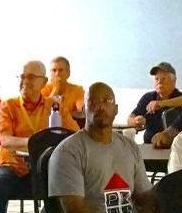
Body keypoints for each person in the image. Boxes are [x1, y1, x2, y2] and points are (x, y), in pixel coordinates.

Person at [0, 60, 77, 213]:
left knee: (69, 183)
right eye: (22, 77)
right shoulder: (8, 106)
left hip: (45, 169)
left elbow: (75, 136)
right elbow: (4, 140)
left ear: (44, 82)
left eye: (31, 77)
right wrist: (36, 144)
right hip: (12, 168)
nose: (25, 81)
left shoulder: (55, 107)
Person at [49, 83, 156, 213]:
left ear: (116, 109)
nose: (101, 107)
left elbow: (144, 197)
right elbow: (75, 209)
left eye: (107, 101)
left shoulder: (130, 147)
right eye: (94, 101)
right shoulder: (68, 152)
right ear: (83, 109)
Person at [127, 63, 182, 144]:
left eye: (163, 79)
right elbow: (130, 118)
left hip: (175, 145)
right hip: (149, 144)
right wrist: (135, 121)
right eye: (156, 79)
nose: (159, 82)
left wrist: (161, 103)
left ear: (173, 81)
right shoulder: (148, 97)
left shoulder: (180, 97)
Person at [43, 56, 87, 127]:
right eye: (54, 70)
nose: (57, 74)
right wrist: (55, 89)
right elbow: (43, 112)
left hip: (69, 128)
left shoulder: (77, 89)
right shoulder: (44, 89)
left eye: (60, 70)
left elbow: (82, 110)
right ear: (50, 73)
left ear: (68, 73)